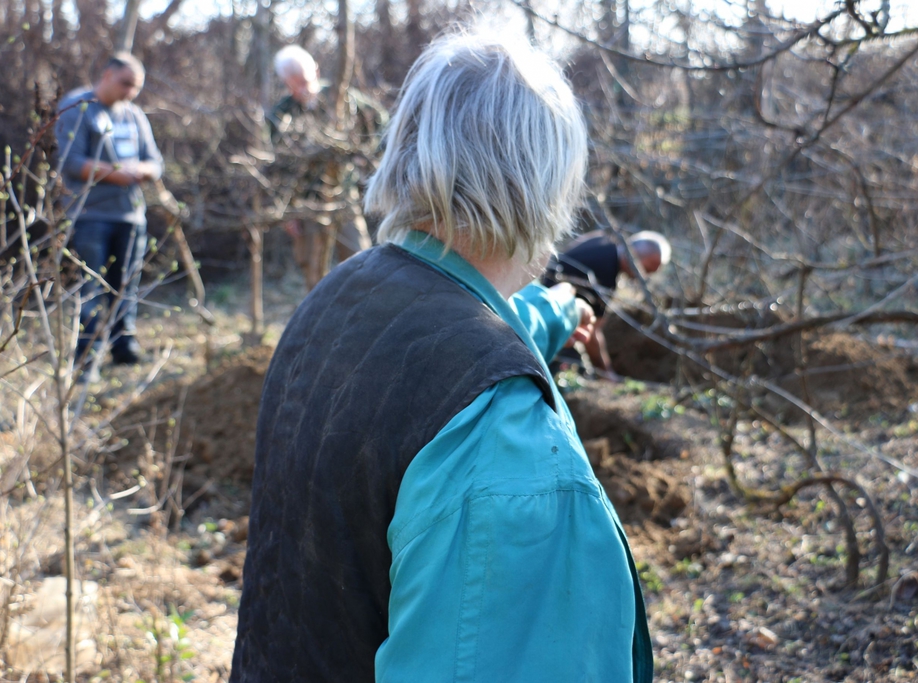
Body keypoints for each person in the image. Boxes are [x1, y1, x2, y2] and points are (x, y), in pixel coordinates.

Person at [231, 32, 652, 683]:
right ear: (547, 184)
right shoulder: (502, 438)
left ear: (406, 147)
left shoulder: (341, 297)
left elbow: (448, 337)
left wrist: (561, 306)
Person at [55, 53, 163, 370]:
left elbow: (155, 163)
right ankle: (87, 354)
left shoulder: (134, 116)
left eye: (136, 87)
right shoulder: (78, 107)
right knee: (92, 286)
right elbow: (71, 162)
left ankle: (123, 346)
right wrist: (116, 173)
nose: (130, 91)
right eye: (125, 83)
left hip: (130, 215)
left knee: (126, 285)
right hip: (90, 215)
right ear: (106, 75)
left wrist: (139, 171)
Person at [268, 44, 387, 290]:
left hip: (343, 197)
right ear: (285, 84)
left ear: (317, 71)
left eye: (305, 80)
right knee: (314, 273)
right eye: (294, 84)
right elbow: (277, 168)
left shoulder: (340, 97)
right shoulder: (281, 115)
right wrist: (286, 211)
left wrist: (364, 155)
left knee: (361, 262)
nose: (302, 89)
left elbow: (380, 122)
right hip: (306, 204)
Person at [543, 228, 671, 381]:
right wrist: (606, 372)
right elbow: (592, 331)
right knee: (575, 373)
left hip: (545, 300)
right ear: (635, 256)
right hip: (550, 322)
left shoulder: (604, 240)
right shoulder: (605, 275)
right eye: (646, 270)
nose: (644, 277)